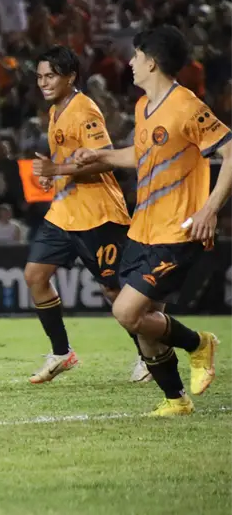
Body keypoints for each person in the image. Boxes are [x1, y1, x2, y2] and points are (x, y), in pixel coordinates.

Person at [73, 26, 225, 416]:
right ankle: (176, 400)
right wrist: (100, 157)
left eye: (136, 55)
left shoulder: (188, 107)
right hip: (143, 227)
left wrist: (209, 208)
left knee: (126, 312)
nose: (130, 62)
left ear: (152, 61)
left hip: (178, 230)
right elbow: (141, 157)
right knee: (143, 324)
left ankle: (198, 344)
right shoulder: (143, 107)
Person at [26, 45, 148, 384]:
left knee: (113, 292)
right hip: (65, 212)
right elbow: (68, 162)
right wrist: (53, 172)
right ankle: (63, 353)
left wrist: (58, 167)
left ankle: (148, 354)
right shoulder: (56, 111)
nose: (43, 83)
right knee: (35, 276)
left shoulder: (84, 110)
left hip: (98, 214)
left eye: (50, 76)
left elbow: (105, 156)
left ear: (70, 77)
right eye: (39, 77)